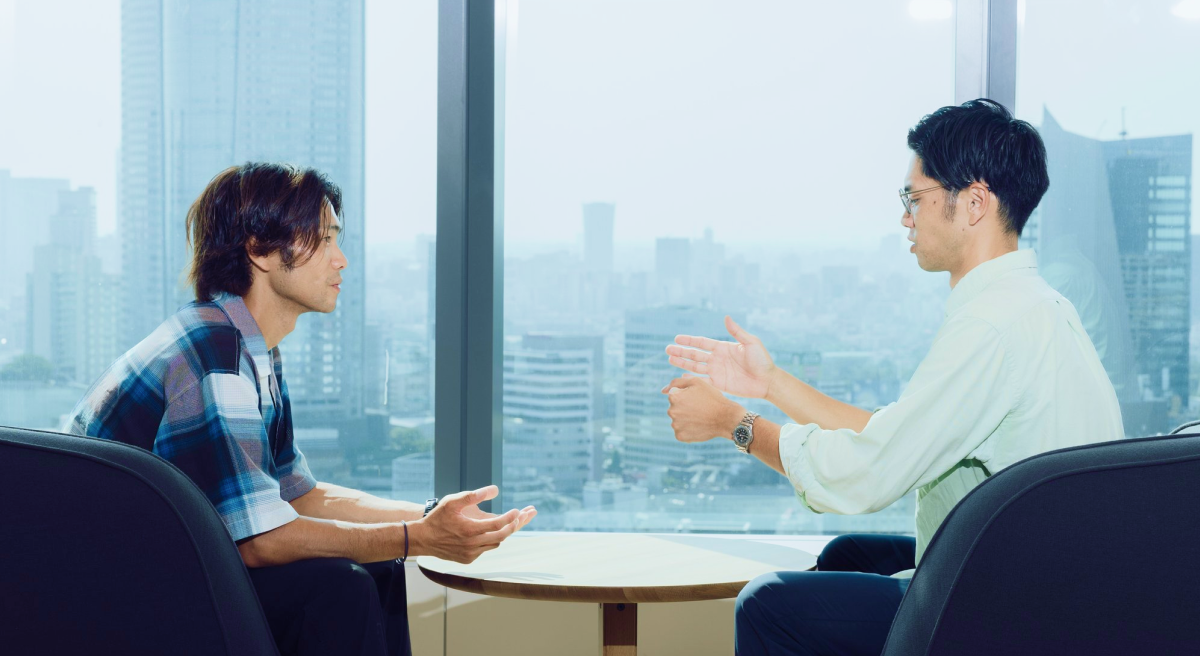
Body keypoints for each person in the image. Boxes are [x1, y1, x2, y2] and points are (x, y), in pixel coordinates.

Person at [661, 99, 1123, 656]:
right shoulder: (1034, 306)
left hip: (1014, 613)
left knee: (767, 606)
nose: (906, 216)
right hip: (1055, 587)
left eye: (916, 197)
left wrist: (735, 423)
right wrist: (772, 383)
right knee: (848, 555)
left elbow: (870, 473)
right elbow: (900, 435)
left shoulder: (991, 328)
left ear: (973, 202)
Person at [67, 163, 536, 656]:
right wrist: (416, 536)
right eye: (324, 239)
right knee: (340, 588)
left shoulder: (249, 346)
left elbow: (300, 496)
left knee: (376, 566)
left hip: (166, 576)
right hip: (116, 600)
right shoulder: (215, 357)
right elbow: (262, 540)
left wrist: (428, 519)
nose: (342, 260)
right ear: (259, 249)